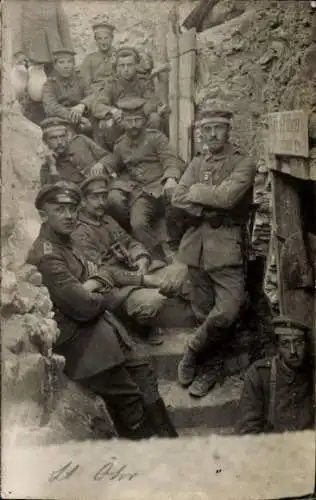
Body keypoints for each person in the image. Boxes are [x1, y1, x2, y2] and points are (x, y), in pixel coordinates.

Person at [26, 181, 178, 439]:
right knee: (129, 398)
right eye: (60, 209)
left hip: (104, 330)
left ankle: (171, 446)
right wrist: (97, 287)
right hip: (84, 345)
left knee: (144, 373)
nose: (69, 215)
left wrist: (97, 284)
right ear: (43, 215)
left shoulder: (68, 242)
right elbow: (84, 307)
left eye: (73, 209)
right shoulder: (47, 256)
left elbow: (103, 274)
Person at [172, 100, 256, 398]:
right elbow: (177, 198)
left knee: (228, 310)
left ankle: (193, 350)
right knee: (202, 311)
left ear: (228, 130)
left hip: (226, 246)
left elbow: (227, 198)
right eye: (206, 130)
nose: (211, 135)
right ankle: (211, 366)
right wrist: (206, 198)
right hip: (195, 247)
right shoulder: (197, 162)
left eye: (217, 129)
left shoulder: (243, 162)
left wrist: (197, 193)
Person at [72, 176, 190, 345]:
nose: (101, 202)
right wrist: (143, 279)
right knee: (154, 301)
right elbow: (104, 272)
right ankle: (135, 327)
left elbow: (131, 242)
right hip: (114, 289)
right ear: (83, 201)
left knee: (182, 270)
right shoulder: (79, 232)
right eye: (94, 197)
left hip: (135, 272)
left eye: (103, 196)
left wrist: (141, 258)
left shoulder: (108, 220)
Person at [106, 97, 184, 260]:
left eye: (137, 120)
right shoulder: (120, 146)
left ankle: (177, 248)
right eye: (129, 121)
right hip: (142, 193)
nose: (133, 125)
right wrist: (104, 168)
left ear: (144, 120)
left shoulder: (156, 138)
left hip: (162, 187)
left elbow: (170, 159)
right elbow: (114, 165)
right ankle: (159, 256)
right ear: (123, 123)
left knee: (178, 209)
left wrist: (171, 178)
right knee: (138, 224)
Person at [236, 316, 314, 434]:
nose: (293, 351)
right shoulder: (260, 374)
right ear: (278, 346)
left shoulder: (312, 371)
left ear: (307, 345)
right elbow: (248, 428)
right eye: (285, 344)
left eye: (299, 342)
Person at [90, 47, 166, 150]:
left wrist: (146, 111)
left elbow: (152, 101)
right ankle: (115, 155)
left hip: (140, 123)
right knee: (106, 124)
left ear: (136, 66)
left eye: (130, 65)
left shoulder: (143, 82)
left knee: (155, 118)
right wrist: (112, 111)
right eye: (122, 65)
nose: (126, 69)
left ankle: (149, 151)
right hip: (120, 124)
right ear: (116, 67)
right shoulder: (112, 85)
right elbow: (97, 105)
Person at [39, 117, 115, 186]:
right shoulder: (47, 167)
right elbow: (52, 193)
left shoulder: (81, 140)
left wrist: (101, 163)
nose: (59, 142)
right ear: (45, 141)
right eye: (53, 138)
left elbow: (108, 156)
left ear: (67, 135)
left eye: (62, 136)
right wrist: (52, 167)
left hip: (103, 185)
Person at [42, 49, 94, 132]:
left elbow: (92, 95)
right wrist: (75, 116)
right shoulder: (50, 84)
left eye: (69, 62)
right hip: (60, 120)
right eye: (61, 62)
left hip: (82, 116)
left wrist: (82, 105)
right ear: (55, 65)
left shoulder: (80, 80)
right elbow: (51, 107)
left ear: (73, 64)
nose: (66, 66)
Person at [79, 21, 116, 94]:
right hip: (96, 93)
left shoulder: (119, 56)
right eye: (99, 38)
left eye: (106, 38)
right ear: (95, 40)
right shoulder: (89, 59)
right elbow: (86, 84)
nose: (103, 42)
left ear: (112, 38)